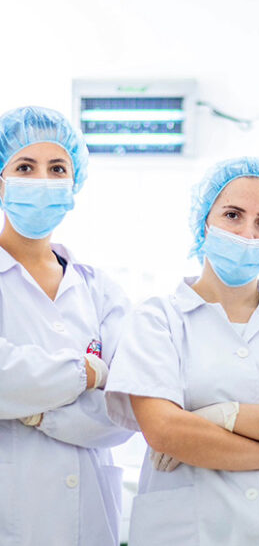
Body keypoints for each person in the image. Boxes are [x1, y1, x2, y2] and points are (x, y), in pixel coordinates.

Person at [105, 157, 259, 546]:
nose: (247, 233)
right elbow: (166, 430)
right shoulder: (157, 320)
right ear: (205, 221)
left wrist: (220, 416)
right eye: (233, 215)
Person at [0, 106, 132, 546]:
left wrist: (34, 410)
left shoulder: (101, 290)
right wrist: (88, 373)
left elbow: (128, 407)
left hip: (90, 522)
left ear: (74, 184)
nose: (43, 180)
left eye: (57, 168)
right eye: (25, 167)